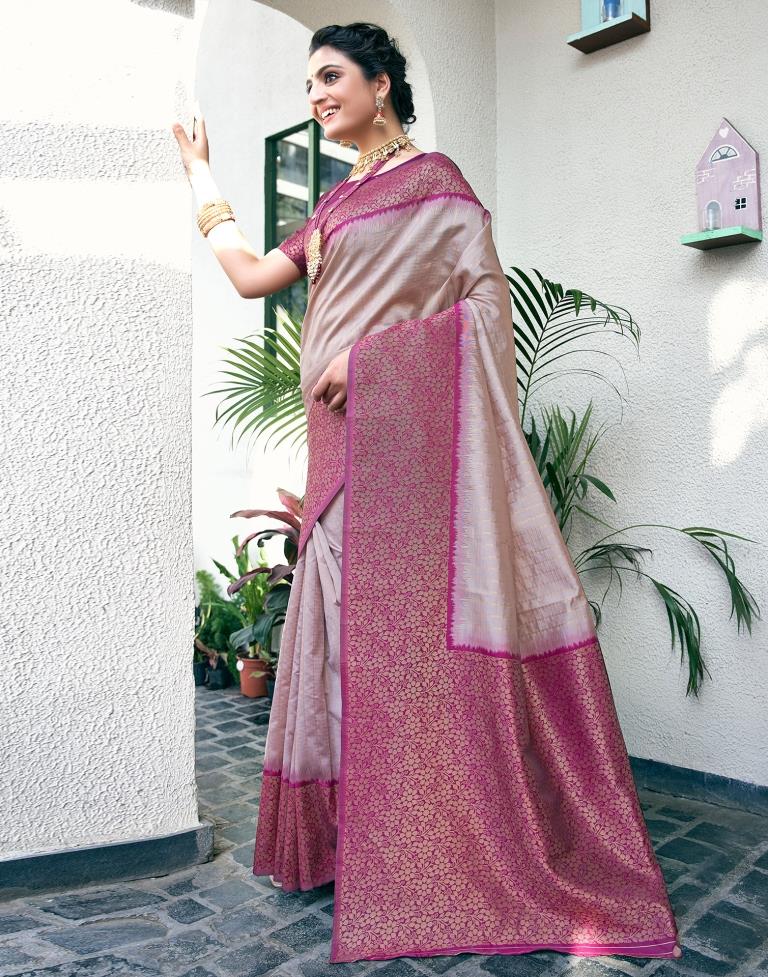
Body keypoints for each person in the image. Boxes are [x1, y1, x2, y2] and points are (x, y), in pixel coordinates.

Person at [173, 20, 682, 968]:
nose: (317, 95)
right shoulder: (332, 207)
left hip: (408, 459)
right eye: (310, 81)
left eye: (331, 76)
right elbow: (249, 279)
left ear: (382, 83)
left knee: (407, 652)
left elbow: (483, 315)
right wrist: (201, 175)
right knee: (339, 649)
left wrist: (371, 360)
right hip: (338, 453)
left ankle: (440, 847)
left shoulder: (436, 185)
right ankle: (353, 842)